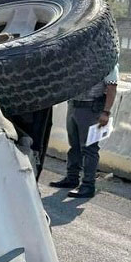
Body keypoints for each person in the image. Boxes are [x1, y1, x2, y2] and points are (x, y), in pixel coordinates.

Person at [50, 65, 118, 198]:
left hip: (91, 108)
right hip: (74, 104)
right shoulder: (81, 59)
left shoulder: (107, 61)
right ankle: (72, 178)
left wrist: (106, 112)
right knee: (74, 146)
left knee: (89, 149)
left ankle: (88, 185)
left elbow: (112, 87)